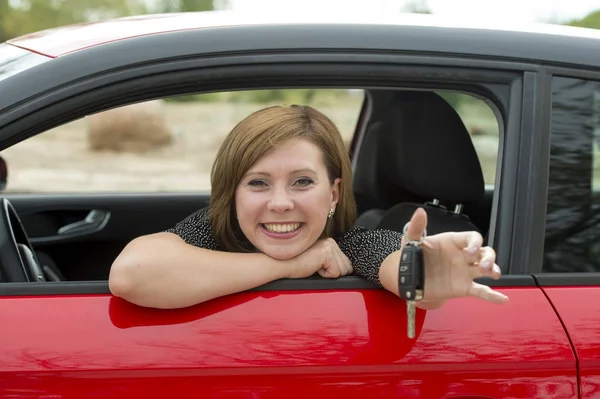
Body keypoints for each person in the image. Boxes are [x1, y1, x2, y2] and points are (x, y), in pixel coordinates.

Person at [108, 104, 509, 310]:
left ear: (333, 194)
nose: (280, 204)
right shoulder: (216, 231)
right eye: (258, 183)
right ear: (233, 194)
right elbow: (130, 275)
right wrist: (290, 266)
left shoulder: (354, 244)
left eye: (303, 182)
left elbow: (402, 267)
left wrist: (426, 277)